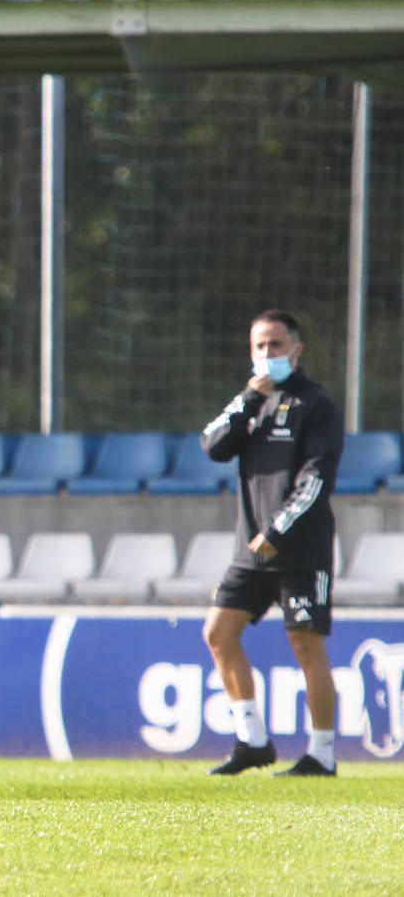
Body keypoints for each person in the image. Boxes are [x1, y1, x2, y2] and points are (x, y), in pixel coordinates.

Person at [200, 309, 343, 777]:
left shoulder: (316, 405)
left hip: (298, 548)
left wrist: (277, 531)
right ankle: (252, 740)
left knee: (306, 645)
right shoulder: (250, 401)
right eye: (259, 346)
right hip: (251, 550)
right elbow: (212, 444)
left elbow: (315, 480)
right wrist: (246, 398)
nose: (267, 354)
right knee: (218, 633)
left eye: (276, 345)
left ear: (296, 349)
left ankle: (321, 754)